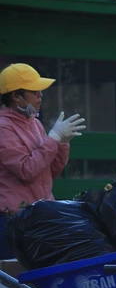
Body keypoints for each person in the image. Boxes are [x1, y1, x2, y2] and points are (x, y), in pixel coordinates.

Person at [0, 64, 86, 258]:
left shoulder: (35, 124)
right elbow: (26, 170)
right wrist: (53, 139)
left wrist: (62, 144)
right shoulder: (3, 127)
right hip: (12, 220)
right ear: (15, 96)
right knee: (12, 280)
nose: (41, 95)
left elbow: (48, 173)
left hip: (39, 216)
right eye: (35, 91)